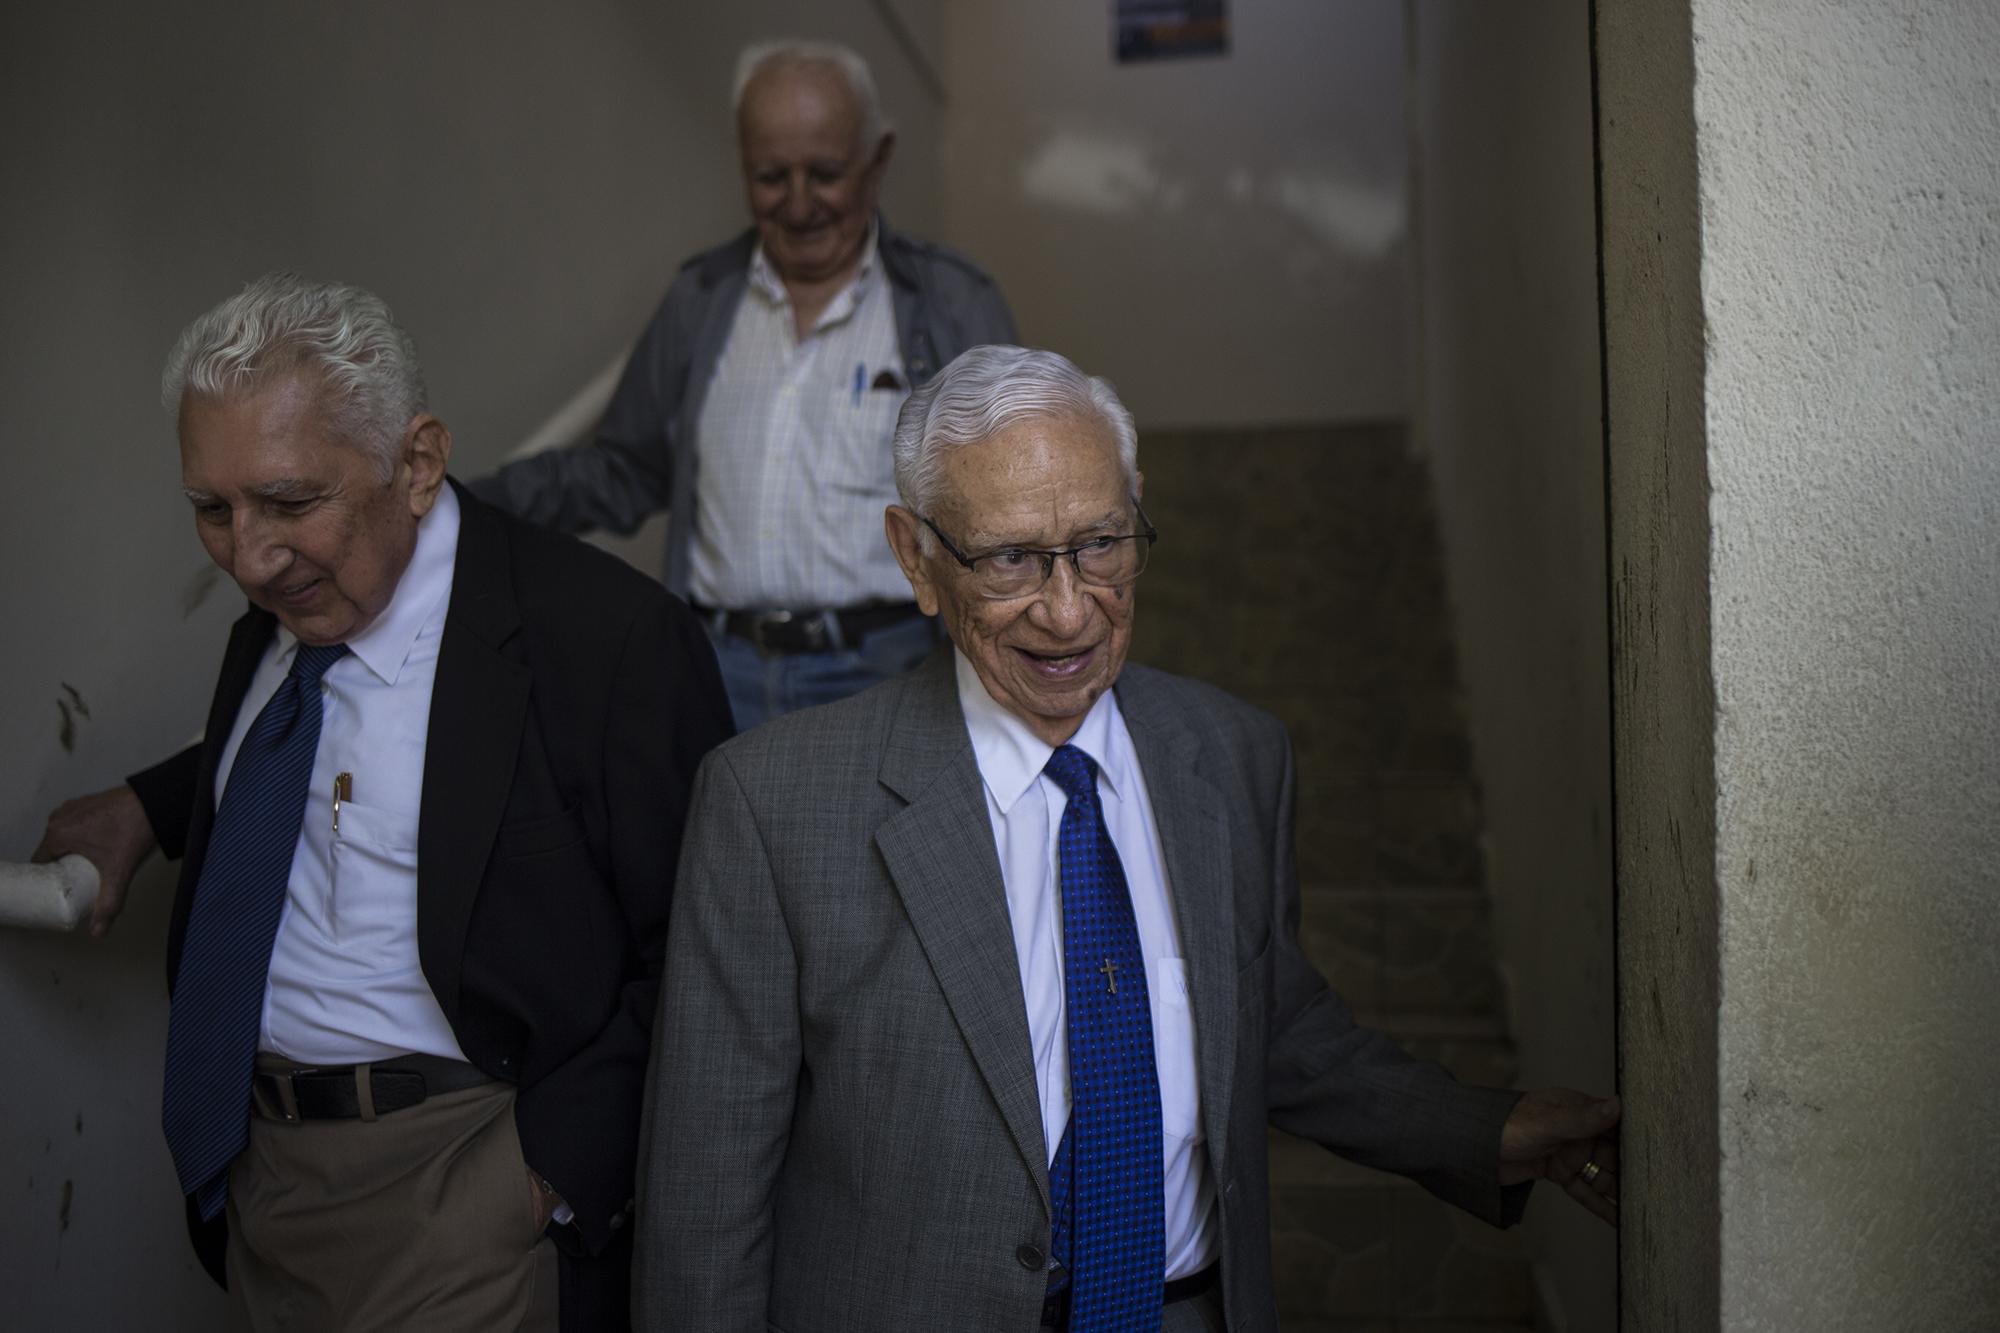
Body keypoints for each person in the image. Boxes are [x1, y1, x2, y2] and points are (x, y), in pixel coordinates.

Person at [635, 345, 1621, 1332]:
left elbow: (1268, 1024)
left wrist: (1479, 1128)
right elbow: (703, 1208)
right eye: (1009, 558)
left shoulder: (1233, 757)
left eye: (1100, 544)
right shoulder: (770, 805)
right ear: (916, 558)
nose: (1068, 612)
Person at [35, 273, 733, 1330]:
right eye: (211, 511)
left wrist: (542, 1180)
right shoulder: (283, 625)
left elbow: (704, 955)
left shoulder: (605, 642)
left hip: (469, 1188)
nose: (251, 556)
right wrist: (151, 801)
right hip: (257, 1180)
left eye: (288, 501)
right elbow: (311, 760)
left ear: (416, 462)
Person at [471, 39, 1016, 729]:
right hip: (715, 670)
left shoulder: (951, 303)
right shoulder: (700, 299)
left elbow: (1010, 494)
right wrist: (472, 506)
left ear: (877, 160)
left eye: (824, 173)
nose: (797, 204)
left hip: (891, 671)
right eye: (769, 176)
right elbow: (622, 471)